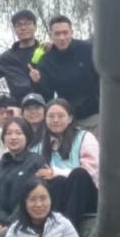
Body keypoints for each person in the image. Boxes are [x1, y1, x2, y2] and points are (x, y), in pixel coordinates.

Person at [29, 15, 101, 134]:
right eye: (57, 34)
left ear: (72, 32)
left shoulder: (88, 49)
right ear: (51, 35)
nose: (62, 37)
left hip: (96, 114)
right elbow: (47, 95)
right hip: (69, 119)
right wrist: (37, 82)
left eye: (65, 33)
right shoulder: (46, 59)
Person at [34, 98, 99, 229]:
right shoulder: (39, 146)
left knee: (79, 174)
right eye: (51, 116)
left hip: (86, 195)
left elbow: (92, 172)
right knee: (57, 182)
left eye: (60, 116)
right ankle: (53, 228)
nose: (55, 120)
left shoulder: (85, 137)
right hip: (56, 195)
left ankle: (68, 229)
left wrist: (57, 172)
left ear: (69, 118)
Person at [0, 9, 42, 101]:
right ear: (14, 30)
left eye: (27, 23)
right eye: (18, 25)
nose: (23, 28)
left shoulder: (44, 52)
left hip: (44, 104)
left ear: (35, 27)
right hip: (18, 105)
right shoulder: (8, 58)